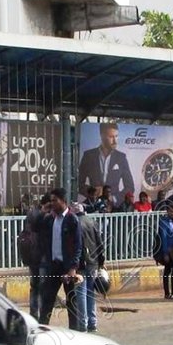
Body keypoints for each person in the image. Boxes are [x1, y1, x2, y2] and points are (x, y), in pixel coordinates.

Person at [38, 188, 83, 328]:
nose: (52, 204)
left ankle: (74, 330)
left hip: (68, 267)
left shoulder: (72, 219)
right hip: (53, 266)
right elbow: (35, 228)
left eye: (54, 201)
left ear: (63, 201)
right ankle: (43, 328)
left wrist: (73, 268)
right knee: (47, 300)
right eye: (51, 201)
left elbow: (78, 246)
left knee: (72, 301)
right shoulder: (50, 220)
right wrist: (42, 212)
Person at [77, 122, 134, 208]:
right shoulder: (88, 155)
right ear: (102, 136)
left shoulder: (121, 157)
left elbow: (130, 186)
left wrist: (115, 198)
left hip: (114, 207)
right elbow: (79, 183)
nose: (115, 141)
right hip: (93, 205)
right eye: (111, 137)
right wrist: (93, 192)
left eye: (116, 136)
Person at [71, 203, 106, 333]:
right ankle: (92, 323)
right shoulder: (92, 222)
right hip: (93, 262)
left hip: (80, 263)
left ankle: (82, 324)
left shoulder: (75, 224)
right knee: (90, 292)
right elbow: (99, 242)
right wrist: (101, 261)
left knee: (81, 293)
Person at [24, 193, 51, 320]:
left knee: (34, 286)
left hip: (32, 255)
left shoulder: (31, 214)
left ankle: (34, 313)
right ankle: (41, 314)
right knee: (42, 286)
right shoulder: (43, 216)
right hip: (41, 256)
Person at [153, 201, 173, 299]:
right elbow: (163, 238)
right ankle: (167, 293)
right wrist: (165, 253)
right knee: (168, 270)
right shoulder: (163, 222)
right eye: (171, 211)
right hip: (168, 250)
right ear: (167, 211)